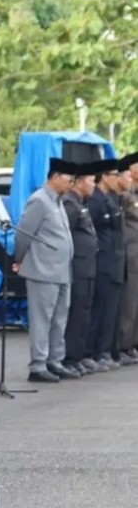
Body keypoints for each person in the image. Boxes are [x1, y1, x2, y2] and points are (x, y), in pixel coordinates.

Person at [15, 157, 76, 383]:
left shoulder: (58, 200)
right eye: (69, 179)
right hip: (42, 270)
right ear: (55, 177)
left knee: (59, 319)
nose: (71, 184)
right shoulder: (39, 200)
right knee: (42, 319)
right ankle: (38, 365)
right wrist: (19, 259)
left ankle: (54, 361)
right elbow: (23, 234)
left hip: (61, 271)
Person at [86, 160, 127, 370]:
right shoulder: (95, 201)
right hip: (103, 262)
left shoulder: (111, 199)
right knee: (101, 309)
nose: (117, 178)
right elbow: (91, 231)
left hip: (115, 261)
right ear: (103, 176)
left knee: (111, 310)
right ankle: (96, 352)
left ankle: (106, 350)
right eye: (113, 174)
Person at [61, 162, 98, 376]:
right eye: (91, 181)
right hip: (77, 267)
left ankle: (78, 356)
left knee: (84, 313)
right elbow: (66, 237)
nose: (93, 185)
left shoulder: (80, 203)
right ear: (80, 182)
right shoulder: (70, 204)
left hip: (88, 267)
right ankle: (69, 357)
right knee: (75, 314)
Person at [118, 152, 138, 360]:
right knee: (129, 303)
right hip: (130, 254)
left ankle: (134, 343)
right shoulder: (126, 194)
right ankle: (124, 345)